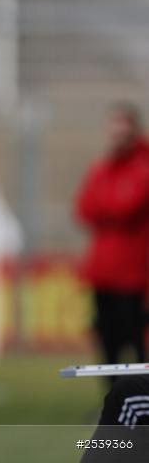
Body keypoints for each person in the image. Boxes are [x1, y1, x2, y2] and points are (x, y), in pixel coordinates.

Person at [76, 103, 149, 385]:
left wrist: (105, 208)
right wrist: (107, 208)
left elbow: (126, 206)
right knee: (108, 345)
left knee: (137, 346)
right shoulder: (102, 167)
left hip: (134, 277)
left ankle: (141, 404)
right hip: (103, 274)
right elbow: (84, 209)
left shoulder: (142, 167)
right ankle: (114, 405)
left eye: (123, 126)